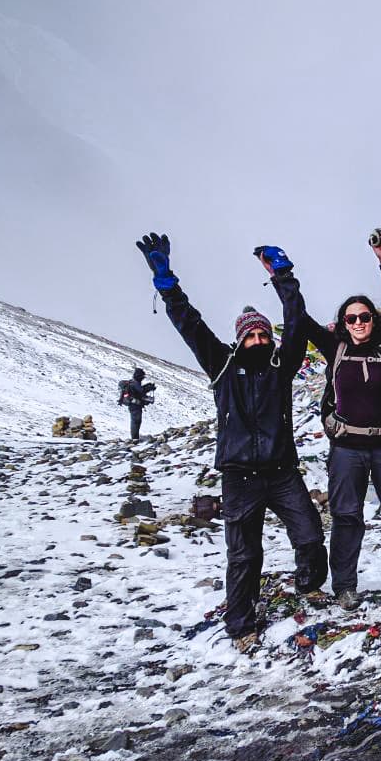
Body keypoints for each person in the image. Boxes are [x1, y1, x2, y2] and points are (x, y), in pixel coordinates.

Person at [135, 233, 328, 652]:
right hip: (239, 477)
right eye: (250, 336)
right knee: (243, 555)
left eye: (262, 335)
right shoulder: (221, 365)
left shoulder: (281, 365)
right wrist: (167, 284)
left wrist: (284, 276)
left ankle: (309, 587)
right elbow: (189, 323)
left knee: (310, 534)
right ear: (240, 340)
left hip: (281, 472)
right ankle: (241, 625)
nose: (258, 341)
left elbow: (295, 319)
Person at [269, 230, 381, 611]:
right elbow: (299, 319)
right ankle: (345, 585)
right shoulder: (334, 347)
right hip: (346, 448)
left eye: (365, 316)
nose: (358, 322)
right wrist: (282, 278)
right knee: (345, 516)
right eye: (351, 317)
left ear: (374, 320)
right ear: (343, 322)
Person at [118, 368, 156, 440]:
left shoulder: (133, 382)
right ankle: (135, 439)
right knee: (136, 421)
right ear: (139, 376)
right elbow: (141, 391)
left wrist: (147, 388)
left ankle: (135, 438)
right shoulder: (135, 383)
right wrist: (149, 387)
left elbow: (139, 392)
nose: (143, 378)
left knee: (135, 421)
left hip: (133, 405)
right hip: (135, 405)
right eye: (142, 376)